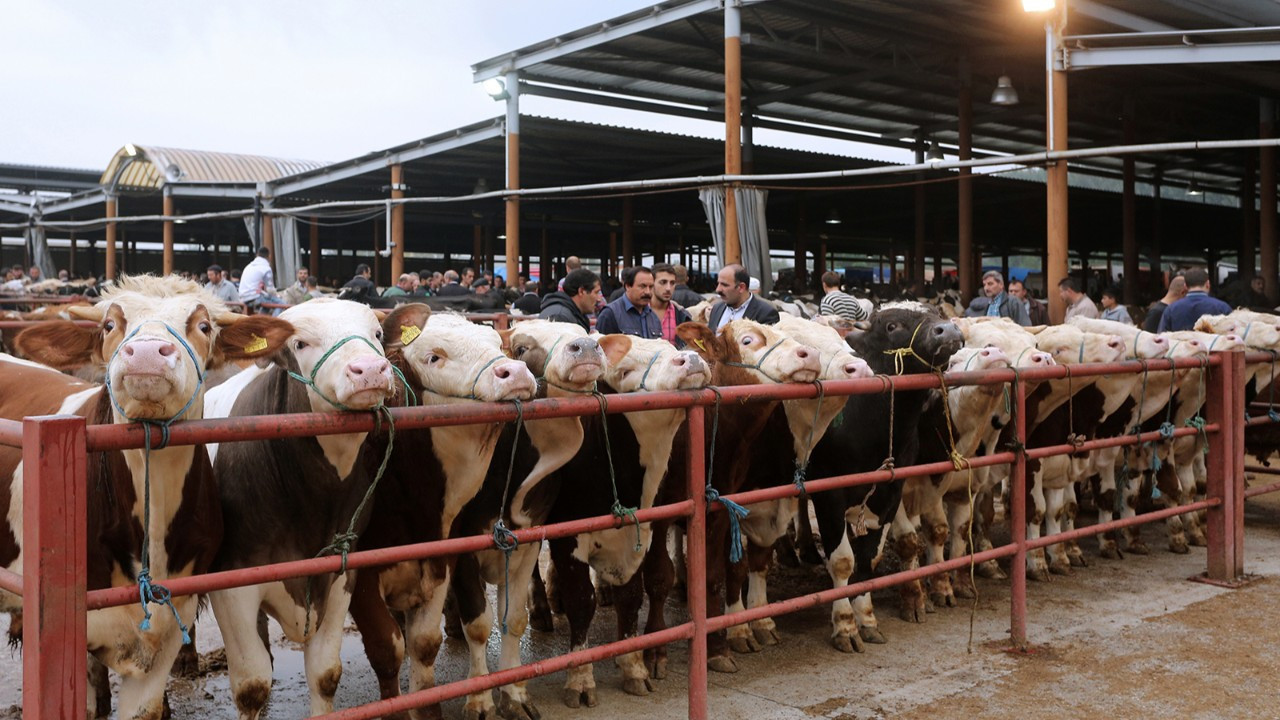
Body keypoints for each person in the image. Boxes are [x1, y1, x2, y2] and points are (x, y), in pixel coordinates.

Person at [1157, 267, 1232, 332]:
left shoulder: (1171, 310)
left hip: (1182, 348)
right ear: (1208, 284)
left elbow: (1162, 337)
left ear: (1185, 286)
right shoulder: (1223, 308)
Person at [708, 264, 780, 330]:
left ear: (741, 287)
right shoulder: (716, 309)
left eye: (724, 285)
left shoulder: (765, 313)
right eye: (718, 284)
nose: (718, 289)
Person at [596, 266, 660, 338]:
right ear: (628, 286)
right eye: (642, 286)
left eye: (651, 287)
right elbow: (601, 346)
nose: (647, 292)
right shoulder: (610, 314)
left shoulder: (653, 317)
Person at [540, 267, 601, 332]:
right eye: (596, 292)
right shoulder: (559, 318)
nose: (599, 299)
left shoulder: (567, 315)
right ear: (581, 291)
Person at [966, 270, 1030, 326]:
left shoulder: (1013, 302)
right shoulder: (987, 304)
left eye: (990, 284)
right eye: (984, 285)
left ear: (1001, 285)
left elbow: (1025, 326)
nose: (986, 288)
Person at [651, 262, 692, 344]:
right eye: (663, 282)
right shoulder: (638, 312)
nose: (668, 288)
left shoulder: (682, 316)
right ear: (652, 283)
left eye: (672, 283)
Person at [238, 247, 280, 313]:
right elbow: (270, 289)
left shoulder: (249, 266)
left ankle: (261, 320)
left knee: (267, 304)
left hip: (243, 297)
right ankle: (275, 321)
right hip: (255, 297)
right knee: (281, 303)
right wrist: (278, 295)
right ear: (269, 256)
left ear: (257, 255)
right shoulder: (266, 268)